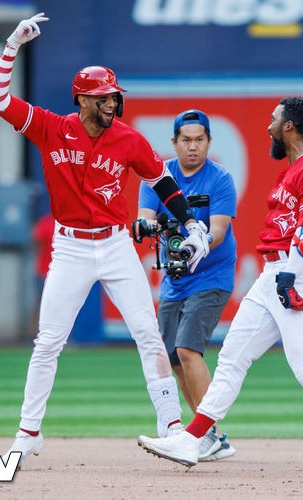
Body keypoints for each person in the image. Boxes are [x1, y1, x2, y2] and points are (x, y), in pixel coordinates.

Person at [0, 13, 210, 468]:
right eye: (105, 97)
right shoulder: (51, 127)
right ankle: (29, 432)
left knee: (148, 335)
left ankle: (171, 428)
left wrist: (192, 224)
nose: (113, 103)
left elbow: (162, 180)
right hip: (70, 247)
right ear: (83, 99)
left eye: (115, 96)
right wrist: (12, 45)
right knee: (48, 342)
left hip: (114, 245)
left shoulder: (127, 139)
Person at [137, 97, 303, 478]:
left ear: (289, 127)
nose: (268, 126)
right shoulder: (296, 168)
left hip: (300, 270)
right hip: (274, 273)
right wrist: (278, 275)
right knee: (232, 357)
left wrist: (289, 276)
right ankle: (196, 438)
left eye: (274, 119)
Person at [136, 110, 237, 462]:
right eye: (186, 139)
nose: (192, 146)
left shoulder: (220, 178)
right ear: (175, 143)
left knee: (189, 350)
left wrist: (200, 240)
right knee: (174, 358)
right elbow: (145, 218)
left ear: (209, 141)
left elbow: (220, 232)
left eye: (199, 139)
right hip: (175, 279)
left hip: (211, 275)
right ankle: (211, 436)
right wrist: (146, 226)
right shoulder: (159, 176)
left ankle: (207, 434)